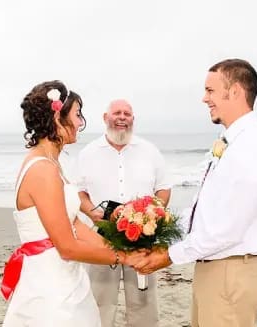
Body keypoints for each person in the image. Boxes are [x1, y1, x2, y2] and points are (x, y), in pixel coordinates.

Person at [134, 59, 257, 327]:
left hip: (230, 270)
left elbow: (227, 230)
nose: (204, 98)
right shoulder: (232, 140)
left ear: (236, 91)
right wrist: (162, 235)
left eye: (210, 90)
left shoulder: (252, 146)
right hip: (215, 268)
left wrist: (169, 256)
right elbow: (205, 208)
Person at [1, 81, 144, 327]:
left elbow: (75, 225)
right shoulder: (42, 170)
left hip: (66, 277)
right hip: (49, 285)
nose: (80, 122)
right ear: (58, 116)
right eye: (77, 114)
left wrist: (124, 251)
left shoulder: (52, 164)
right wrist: (122, 257)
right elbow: (67, 246)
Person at [76, 99, 171, 327]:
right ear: (105, 118)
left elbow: (164, 187)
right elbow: (78, 191)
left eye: (127, 114)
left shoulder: (149, 151)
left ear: (133, 120)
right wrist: (94, 214)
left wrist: (153, 213)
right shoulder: (88, 153)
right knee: (100, 299)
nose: (122, 117)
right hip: (102, 235)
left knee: (144, 300)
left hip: (142, 237)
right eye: (117, 113)